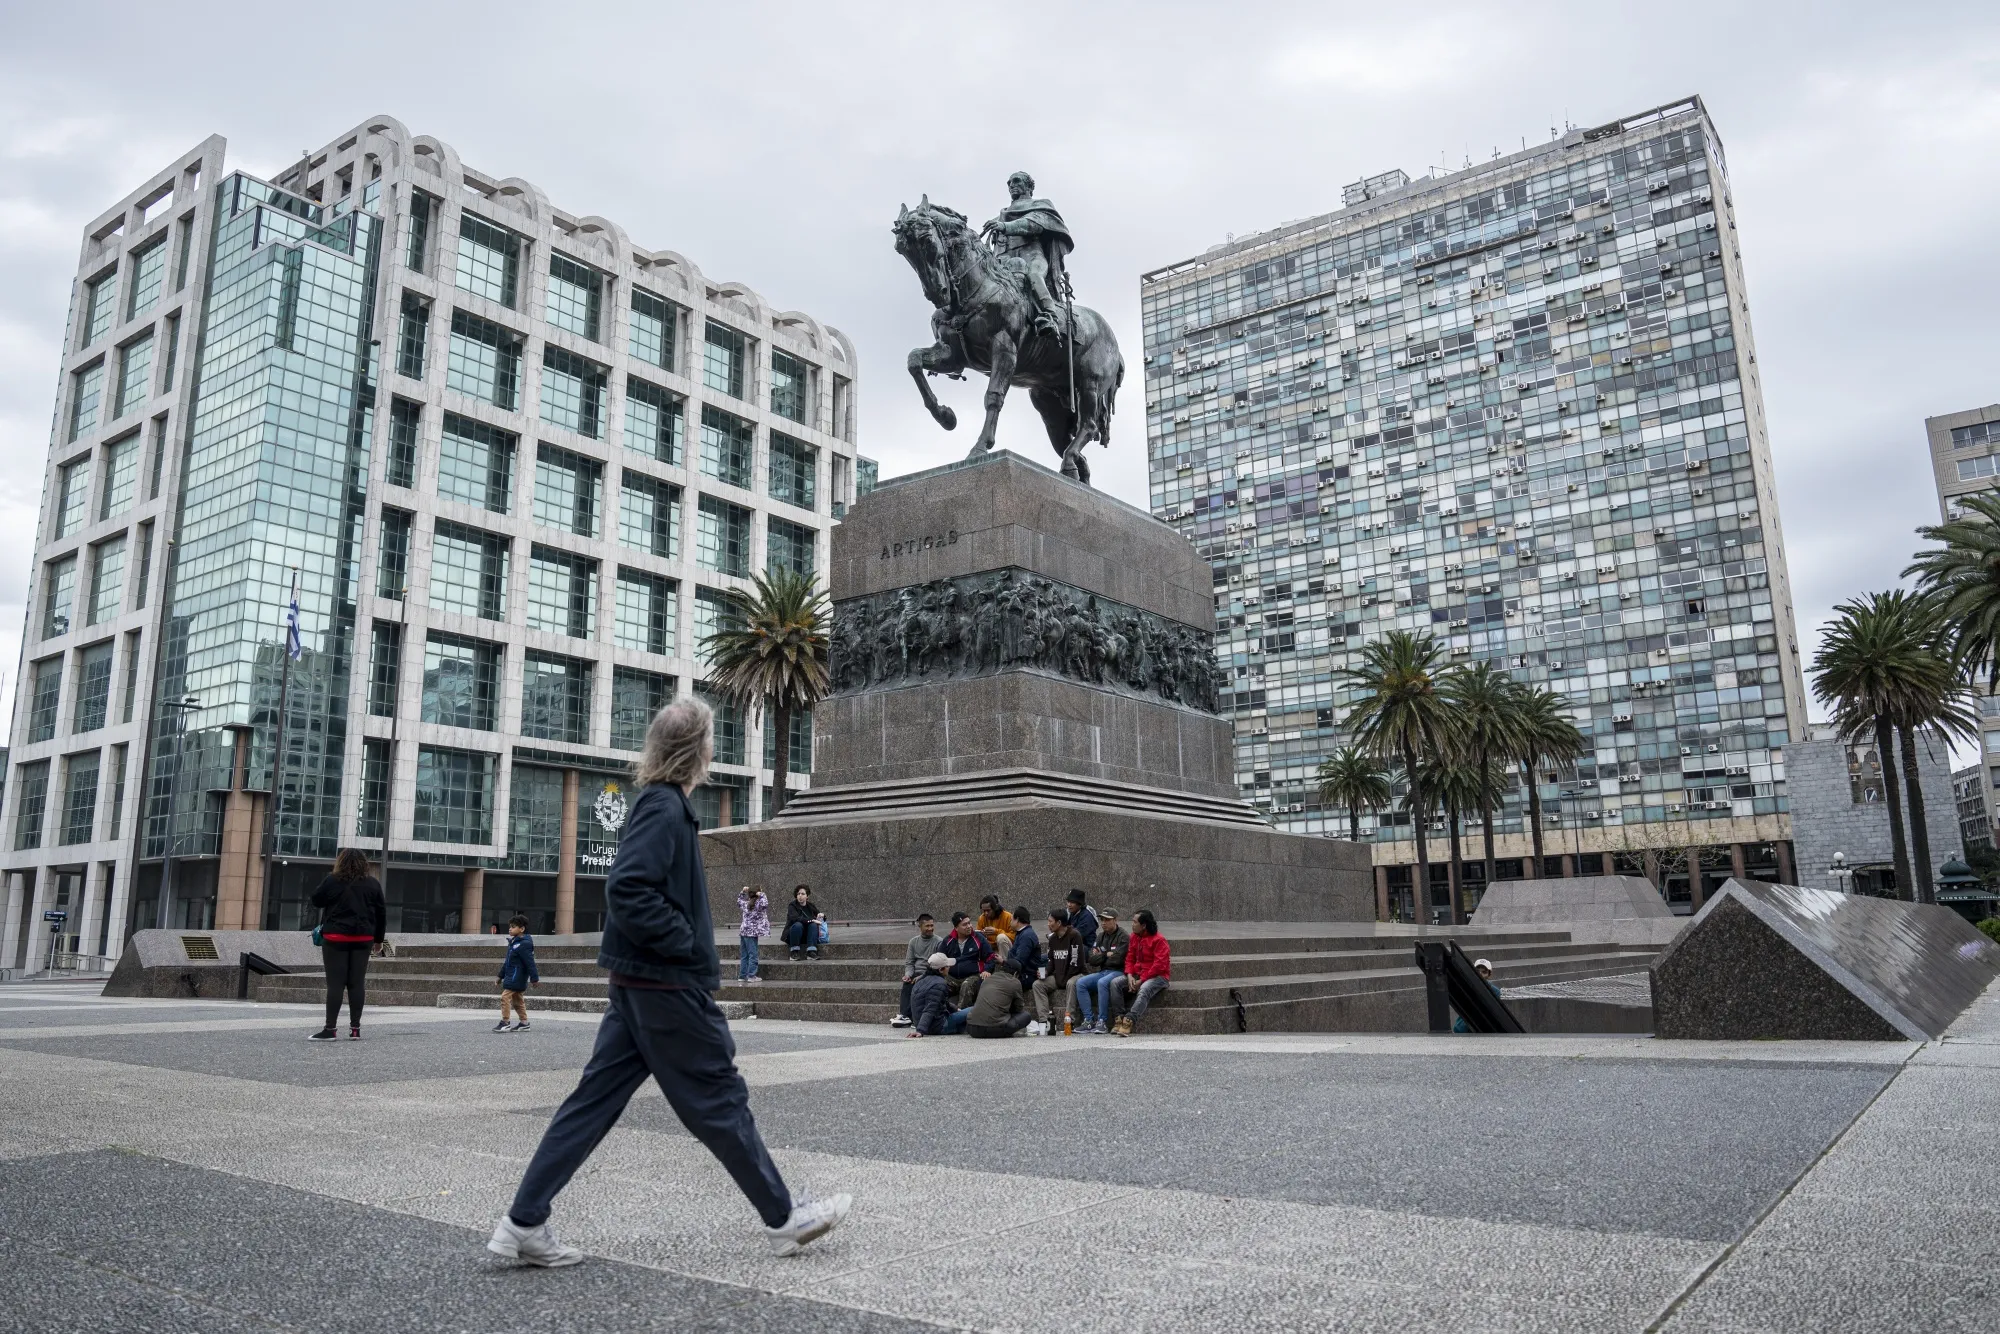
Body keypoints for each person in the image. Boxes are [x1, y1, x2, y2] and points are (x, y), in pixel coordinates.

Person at [487, 696, 851, 1267]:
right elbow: (629, 888)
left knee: (594, 1101)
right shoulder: (661, 808)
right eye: (710, 740)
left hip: (640, 984)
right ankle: (783, 1219)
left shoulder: (661, 805)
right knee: (719, 1098)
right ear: (699, 750)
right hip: (665, 985)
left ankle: (523, 1221)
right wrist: (686, 945)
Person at [307, 849, 386, 1041]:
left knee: (335, 985)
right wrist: (378, 940)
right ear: (364, 864)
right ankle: (355, 1029)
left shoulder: (332, 881)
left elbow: (315, 900)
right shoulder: (372, 884)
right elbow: (381, 913)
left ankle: (330, 1029)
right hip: (363, 939)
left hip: (336, 937)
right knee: (356, 983)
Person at [1112, 910, 1171, 1037]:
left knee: (1144, 989)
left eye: (1134, 922)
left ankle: (1129, 1020)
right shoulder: (1134, 937)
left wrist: (1141, 980)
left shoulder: (1159, 940)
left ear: (1143, 925)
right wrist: (1129, 975)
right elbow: (1130, 958)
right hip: (1137, 974)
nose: (1132, 925)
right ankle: (1119, 1018)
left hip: (1158, 976)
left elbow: (1159, 965)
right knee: (1115, 983)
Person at [1072, 907, 1129, 1034]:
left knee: (1102, 982)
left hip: (1118, 971)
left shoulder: (1123, 936)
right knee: (1081, 983)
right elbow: (1091, 959)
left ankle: (1102, 1022)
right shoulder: (1100, 936)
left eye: (1107, 920)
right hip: (1104, 971)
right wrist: (1106, 954)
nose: (1103, 923)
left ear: (1115, 920)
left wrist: (1102, 955)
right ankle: (1088, 1021)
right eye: (1102, 920)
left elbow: (1118, 959)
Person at [1033, 908, 1083, 1034]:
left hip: (1076, 974)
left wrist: (1063, 978)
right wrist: (1045, 973)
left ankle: (1069, 1020)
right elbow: (1051, 961)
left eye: (1050, 921)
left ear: (1059, 923)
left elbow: (1076, 962)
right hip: (1059, 975)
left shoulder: (1074, 936)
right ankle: (1044, 1022)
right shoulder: (1053, 939)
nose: (1048, 924)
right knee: (1038, 985)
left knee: (1071, 984)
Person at [962, 958, 1033, 1038]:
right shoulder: (1015, 982)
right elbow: (1019, 1008)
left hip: (972, 1029)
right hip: (993, 1029)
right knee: (1026, 1015)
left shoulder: (987, 979)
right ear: (1016, 973)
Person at [893, 913, 939, 1028]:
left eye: (932, 925)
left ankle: (913, 1017)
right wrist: (908, 974)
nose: (930, 929)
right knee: (907, 982)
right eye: (927, 926)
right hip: (915, 972)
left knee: (918, 982)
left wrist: (923, 976)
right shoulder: (913, 942)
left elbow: (936, 964)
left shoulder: (939, 941)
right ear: (920, 926)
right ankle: (905, 1015)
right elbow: (909, 962)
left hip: (930, 972)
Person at [495, 915, 539, 1033]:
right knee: (517, 1001)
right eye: (510, 927)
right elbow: (507, 962)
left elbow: (530, 962)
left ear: (522, 929)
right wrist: (500, 976)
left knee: (505, 997)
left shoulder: (523, 944)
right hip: (512, 976)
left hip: (516, 977)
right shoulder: (514, 943)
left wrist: (534, 978)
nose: (510, 929)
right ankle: (524, 1023)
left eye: (513, 927)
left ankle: (505, 1022)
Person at [941, 910, 993, 1009]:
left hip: (973, 976)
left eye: (969, 923)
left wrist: (987, 970)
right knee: (939, 984)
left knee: (966, 985)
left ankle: (961, 1015)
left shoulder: (979, 938)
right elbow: (940, 958)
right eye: (965, 924)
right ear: (956, 928)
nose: (969, 926)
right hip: (952, 977)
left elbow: (990, 956)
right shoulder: (948, 941)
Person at [907, 953, 955, 1037]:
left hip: (926, 1024)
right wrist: (920, 1030)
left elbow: (940, 1002)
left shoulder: (921, 980)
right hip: (937, 1026)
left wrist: (956, 1009)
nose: (949, 968)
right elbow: (930, 1008)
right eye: (947, 966)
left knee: (962, 1015)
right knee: (970, 1011)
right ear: (940, 970)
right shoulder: (939, 984)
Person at [1454, 958, 1503, 1033]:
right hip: (1463, 1029)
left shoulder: (1495, 991)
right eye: (1477, 971)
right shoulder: (1466, 987)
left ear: (1489, 974)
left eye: (1484, 972)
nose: (1480, 974)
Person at [1005, 905, 1041, 1005]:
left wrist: (1004, 962)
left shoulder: (1026, 936)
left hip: (1026, 977)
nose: (1010, 921)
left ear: (1017, 920)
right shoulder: (1022, 933)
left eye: (1012, 919)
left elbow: (1019, 961)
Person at [736, 886, 770, 985]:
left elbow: (739, 901)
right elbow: (765, 903)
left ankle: (742, 976)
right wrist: (762, 894)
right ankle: (751, 975)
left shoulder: (746, 904)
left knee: (744, 955)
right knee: (753, 954)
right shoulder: (758, 904)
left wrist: (742, 892)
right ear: (758, 893)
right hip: (752, 933)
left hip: (743, 932)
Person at [784, 885, 827, 961]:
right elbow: (795, 918)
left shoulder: (810, 906)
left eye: (803, 894)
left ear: (807, 896)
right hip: (794, 935)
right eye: (798, 894)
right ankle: (794, 952)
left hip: (807, 936)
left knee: (813, 925)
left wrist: (822, 915)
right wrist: (811, 920)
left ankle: (811, 952)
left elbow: (819, 915)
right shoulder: (792, 906)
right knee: (798, 925)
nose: (800, 896)